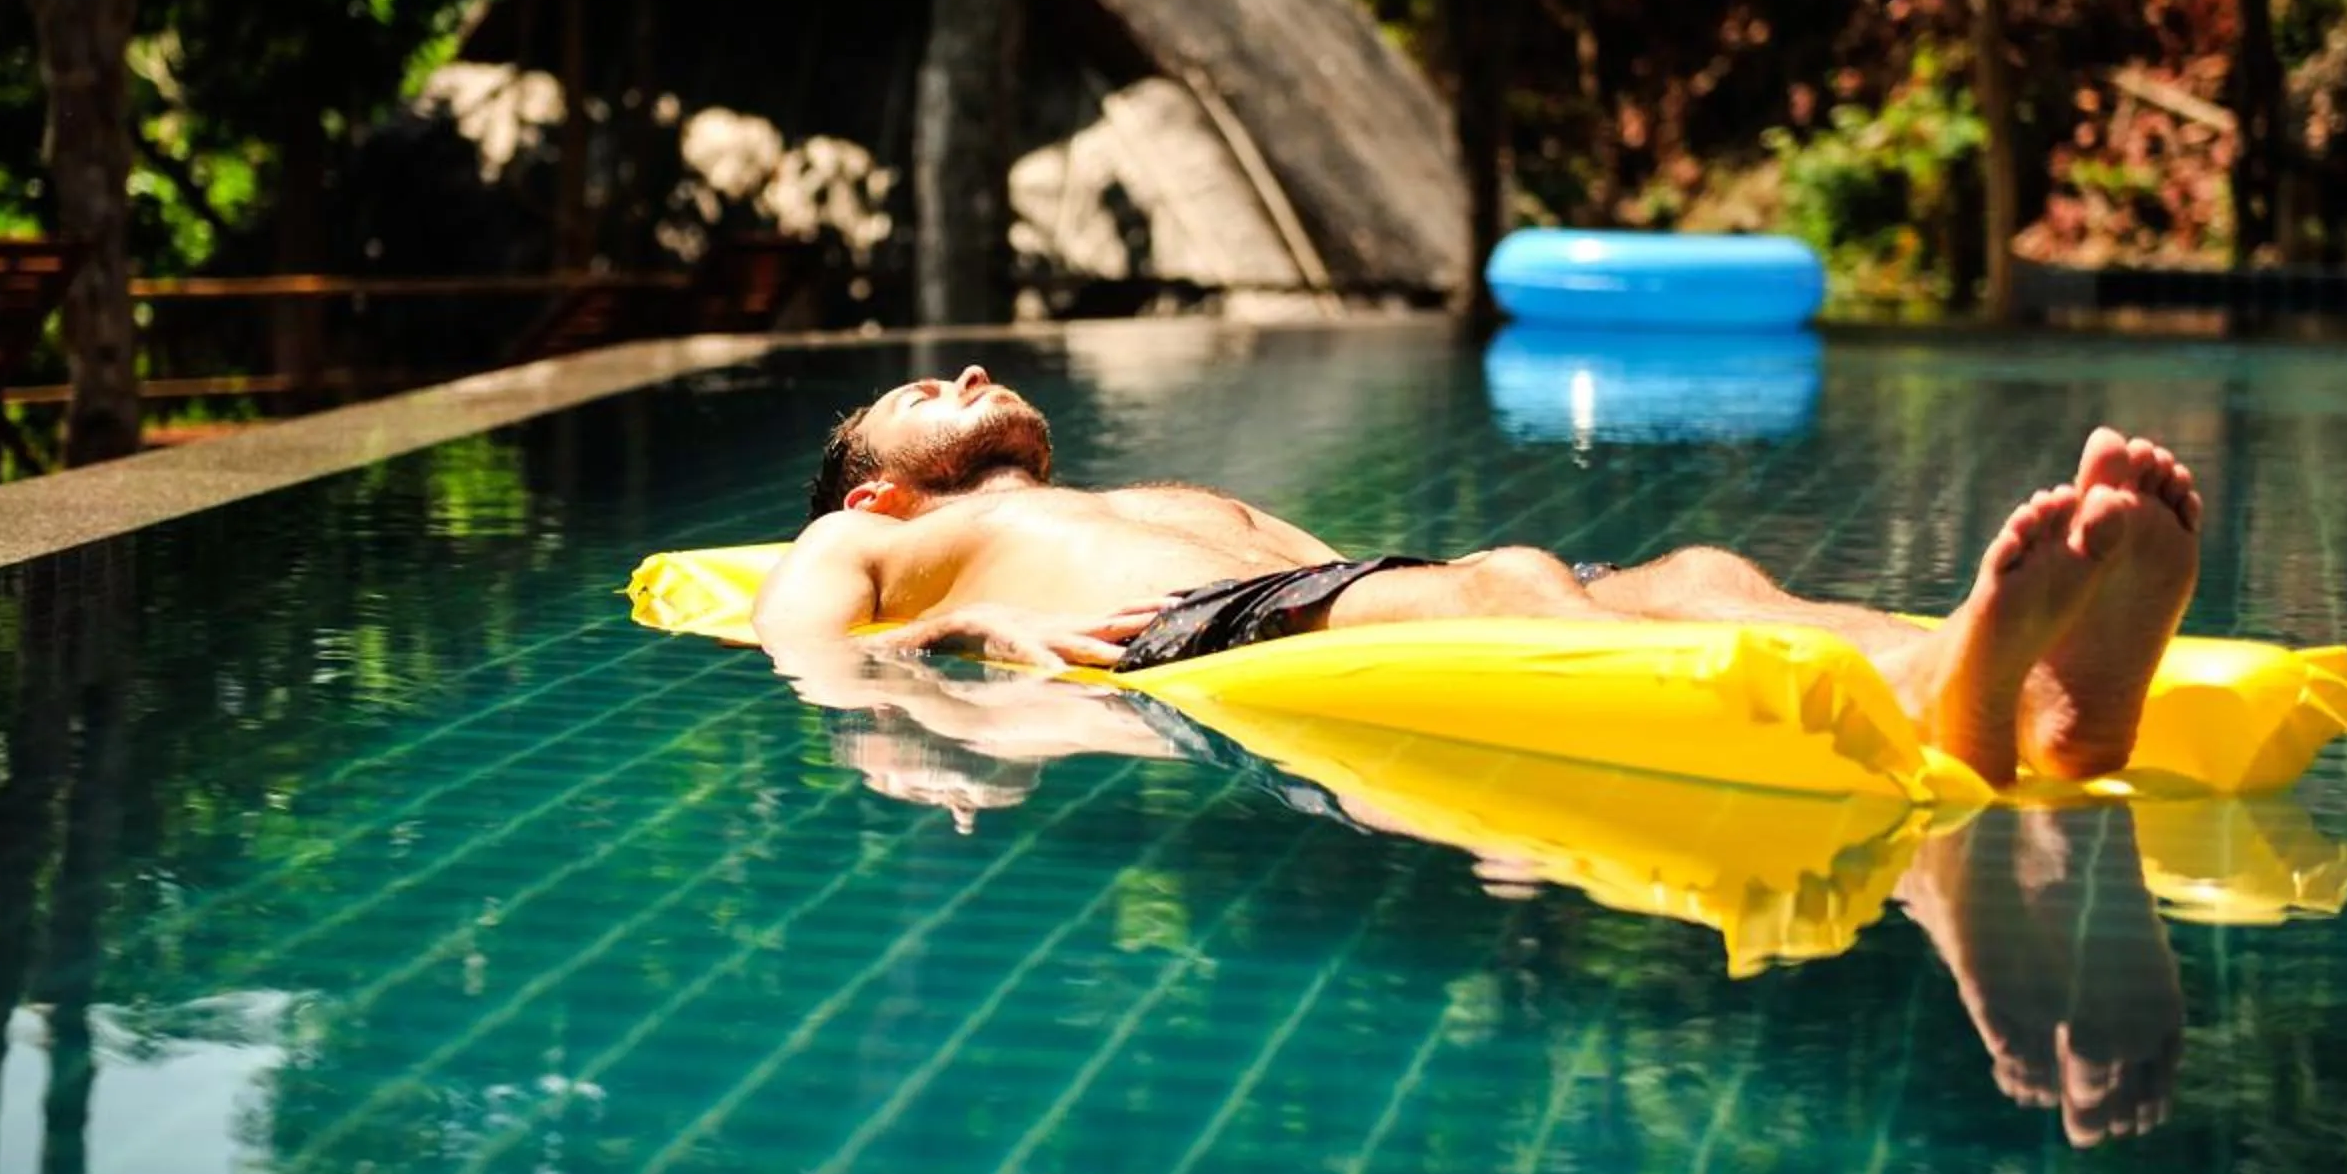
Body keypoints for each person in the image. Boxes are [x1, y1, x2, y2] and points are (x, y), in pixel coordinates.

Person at [753, 364, 2204, 787]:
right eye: (928, 389)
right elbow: (802, 654)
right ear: (880, 482)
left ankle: (2005, 674)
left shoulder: (1122, 488)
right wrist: (958, 625)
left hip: (1384, 597)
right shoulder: (870, 539)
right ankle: (1961, 693)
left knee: (1699, 567)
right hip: (1206, 641)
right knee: (1510, 573)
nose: (972, 369)